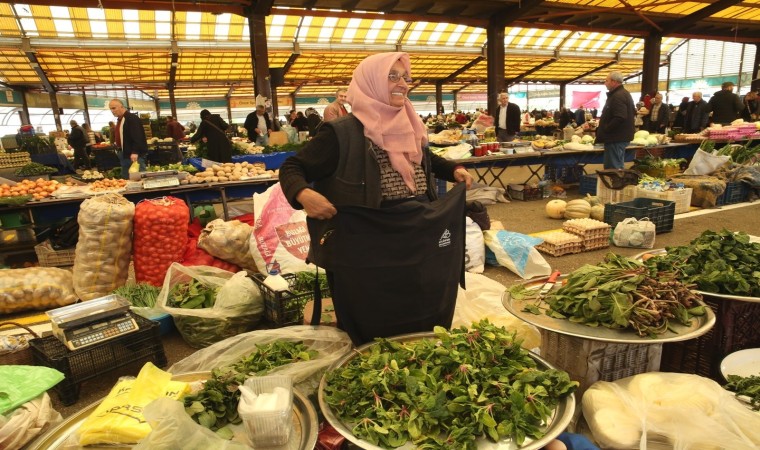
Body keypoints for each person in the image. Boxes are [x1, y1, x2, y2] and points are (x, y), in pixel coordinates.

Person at [279, 52, 473, 346]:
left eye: (405, 77)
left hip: (415, 230)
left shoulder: (408, 122)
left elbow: (423, 158)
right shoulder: (342, 132)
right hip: (368, 237)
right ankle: (375, 360)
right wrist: (304, 194)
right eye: (392, 77)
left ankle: (419, 352)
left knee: (419, 297)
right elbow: (293, 168)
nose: (402, 84)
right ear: (371, 82)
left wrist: (453, 169)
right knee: (373, 310)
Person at [596, 71, 635, 169]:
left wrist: (606, 128)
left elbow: (620, 116)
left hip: (615, 138)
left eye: (607, 81)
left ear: (614, 82)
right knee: (617, 166)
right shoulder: (623, 94)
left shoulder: (618, 96)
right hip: (618, 138)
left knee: (613, 168)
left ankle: (615, 179)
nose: (605, 83)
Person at [108, 99, 148, 178]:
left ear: (122, 107)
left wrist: (135, 151)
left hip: (133, 155)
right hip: (124, 154)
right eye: (110, 109)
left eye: (114, 108)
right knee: (126, 178)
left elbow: (138, 135)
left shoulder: (131, 118)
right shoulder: (120, 119)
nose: (112, 111)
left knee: (138, 178)